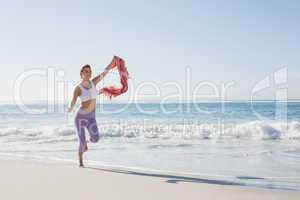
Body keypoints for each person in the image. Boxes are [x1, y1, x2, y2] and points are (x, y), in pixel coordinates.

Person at [67, 57, 116, 167]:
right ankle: (80, 161)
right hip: (80, 118)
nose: (88, 73)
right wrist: (70, 107)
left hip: (91, 118)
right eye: (86, 71)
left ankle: (85, 145)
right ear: (81, 73)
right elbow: (73, 100)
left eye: (89, 71)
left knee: (96, 138)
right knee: (81, 141)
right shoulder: (78, 88)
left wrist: (112, 63)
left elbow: (104, 73)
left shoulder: (94, 82)